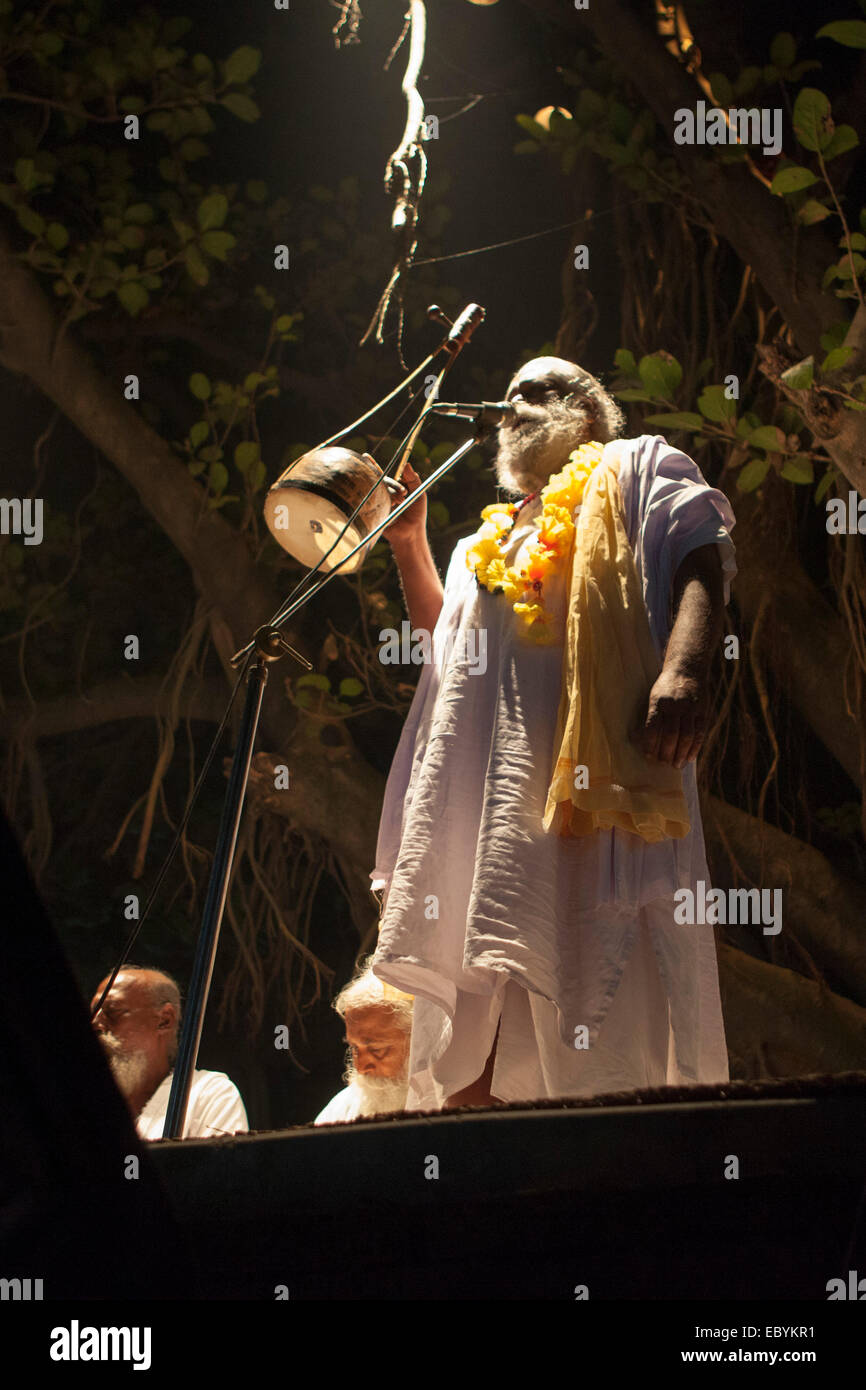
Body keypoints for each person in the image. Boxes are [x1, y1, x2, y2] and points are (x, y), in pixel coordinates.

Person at [370, 356, 736, 1112]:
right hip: (490, 810)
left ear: (590, 413)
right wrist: (410, 544)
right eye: (508, 396)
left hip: (597, 801)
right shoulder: (485, 542)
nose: (514, 405)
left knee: (604, 996)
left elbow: (701, 552)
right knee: (480, 1002)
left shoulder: (638, 469)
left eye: (537, 391)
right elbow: (446, 648)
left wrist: (687, 670)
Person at [90, 965, 248, 1139]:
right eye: (93, 1013)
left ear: (164, 1020)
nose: (95, 1023)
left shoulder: (208, 1094)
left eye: (112, 1012)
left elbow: (224, 1165)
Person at [314, 960, 412, 1124]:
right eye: (354, 1049)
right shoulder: (342, 1109)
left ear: (417, 1040)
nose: (360, 1067)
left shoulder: (452, 1103)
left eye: (376, 1050)